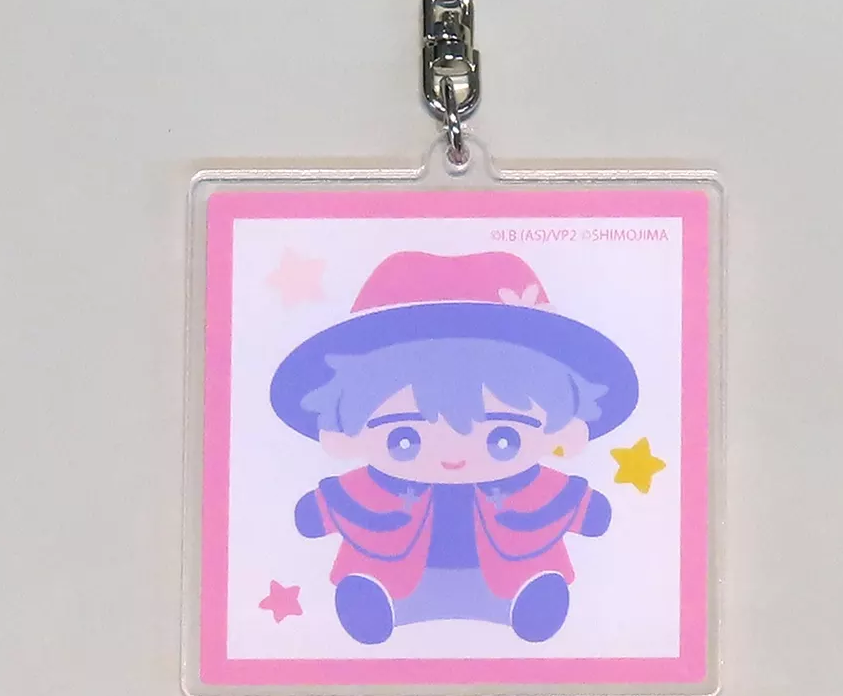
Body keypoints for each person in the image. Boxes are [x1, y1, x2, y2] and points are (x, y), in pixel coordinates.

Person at [270, 251, 639, 644]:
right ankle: (374, 603)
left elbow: (582, 509)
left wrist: (587, 509)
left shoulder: (531, 485)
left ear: (561, 428)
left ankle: (529, 602)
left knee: (530, 588)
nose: (453, 457)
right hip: (396, 582)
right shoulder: (375, 487)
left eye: (503, 438)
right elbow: (325, 510)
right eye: (404, 439)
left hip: (510, 580)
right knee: (375, 586)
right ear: (346, 432)